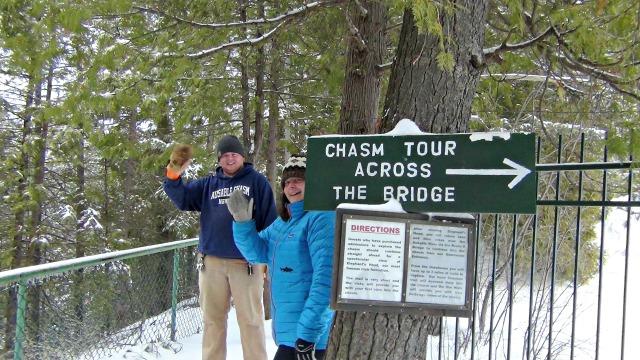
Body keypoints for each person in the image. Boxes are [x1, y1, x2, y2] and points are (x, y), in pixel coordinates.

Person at [163, 135, 277, 360]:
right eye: (225, 155)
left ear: (243, 157)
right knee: (213, 321)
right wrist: (173, 174)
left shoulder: (257, 182)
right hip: (211, 263)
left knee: (251, 321)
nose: (230, 158)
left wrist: (267, 261)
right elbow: (183, 199)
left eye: (234, 154)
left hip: (246, 264)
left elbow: (269, 222)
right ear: (219, 159)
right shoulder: (208, 184)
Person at [227, 155, 335, 360]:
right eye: (287, 182)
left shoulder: (321, 218)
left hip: (311, 339)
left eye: (299, 180)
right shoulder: (284, 222)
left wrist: (308, 334)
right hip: (291, 335)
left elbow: (327, 280)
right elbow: (256, 253)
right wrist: (242, 222)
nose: (291, 185)